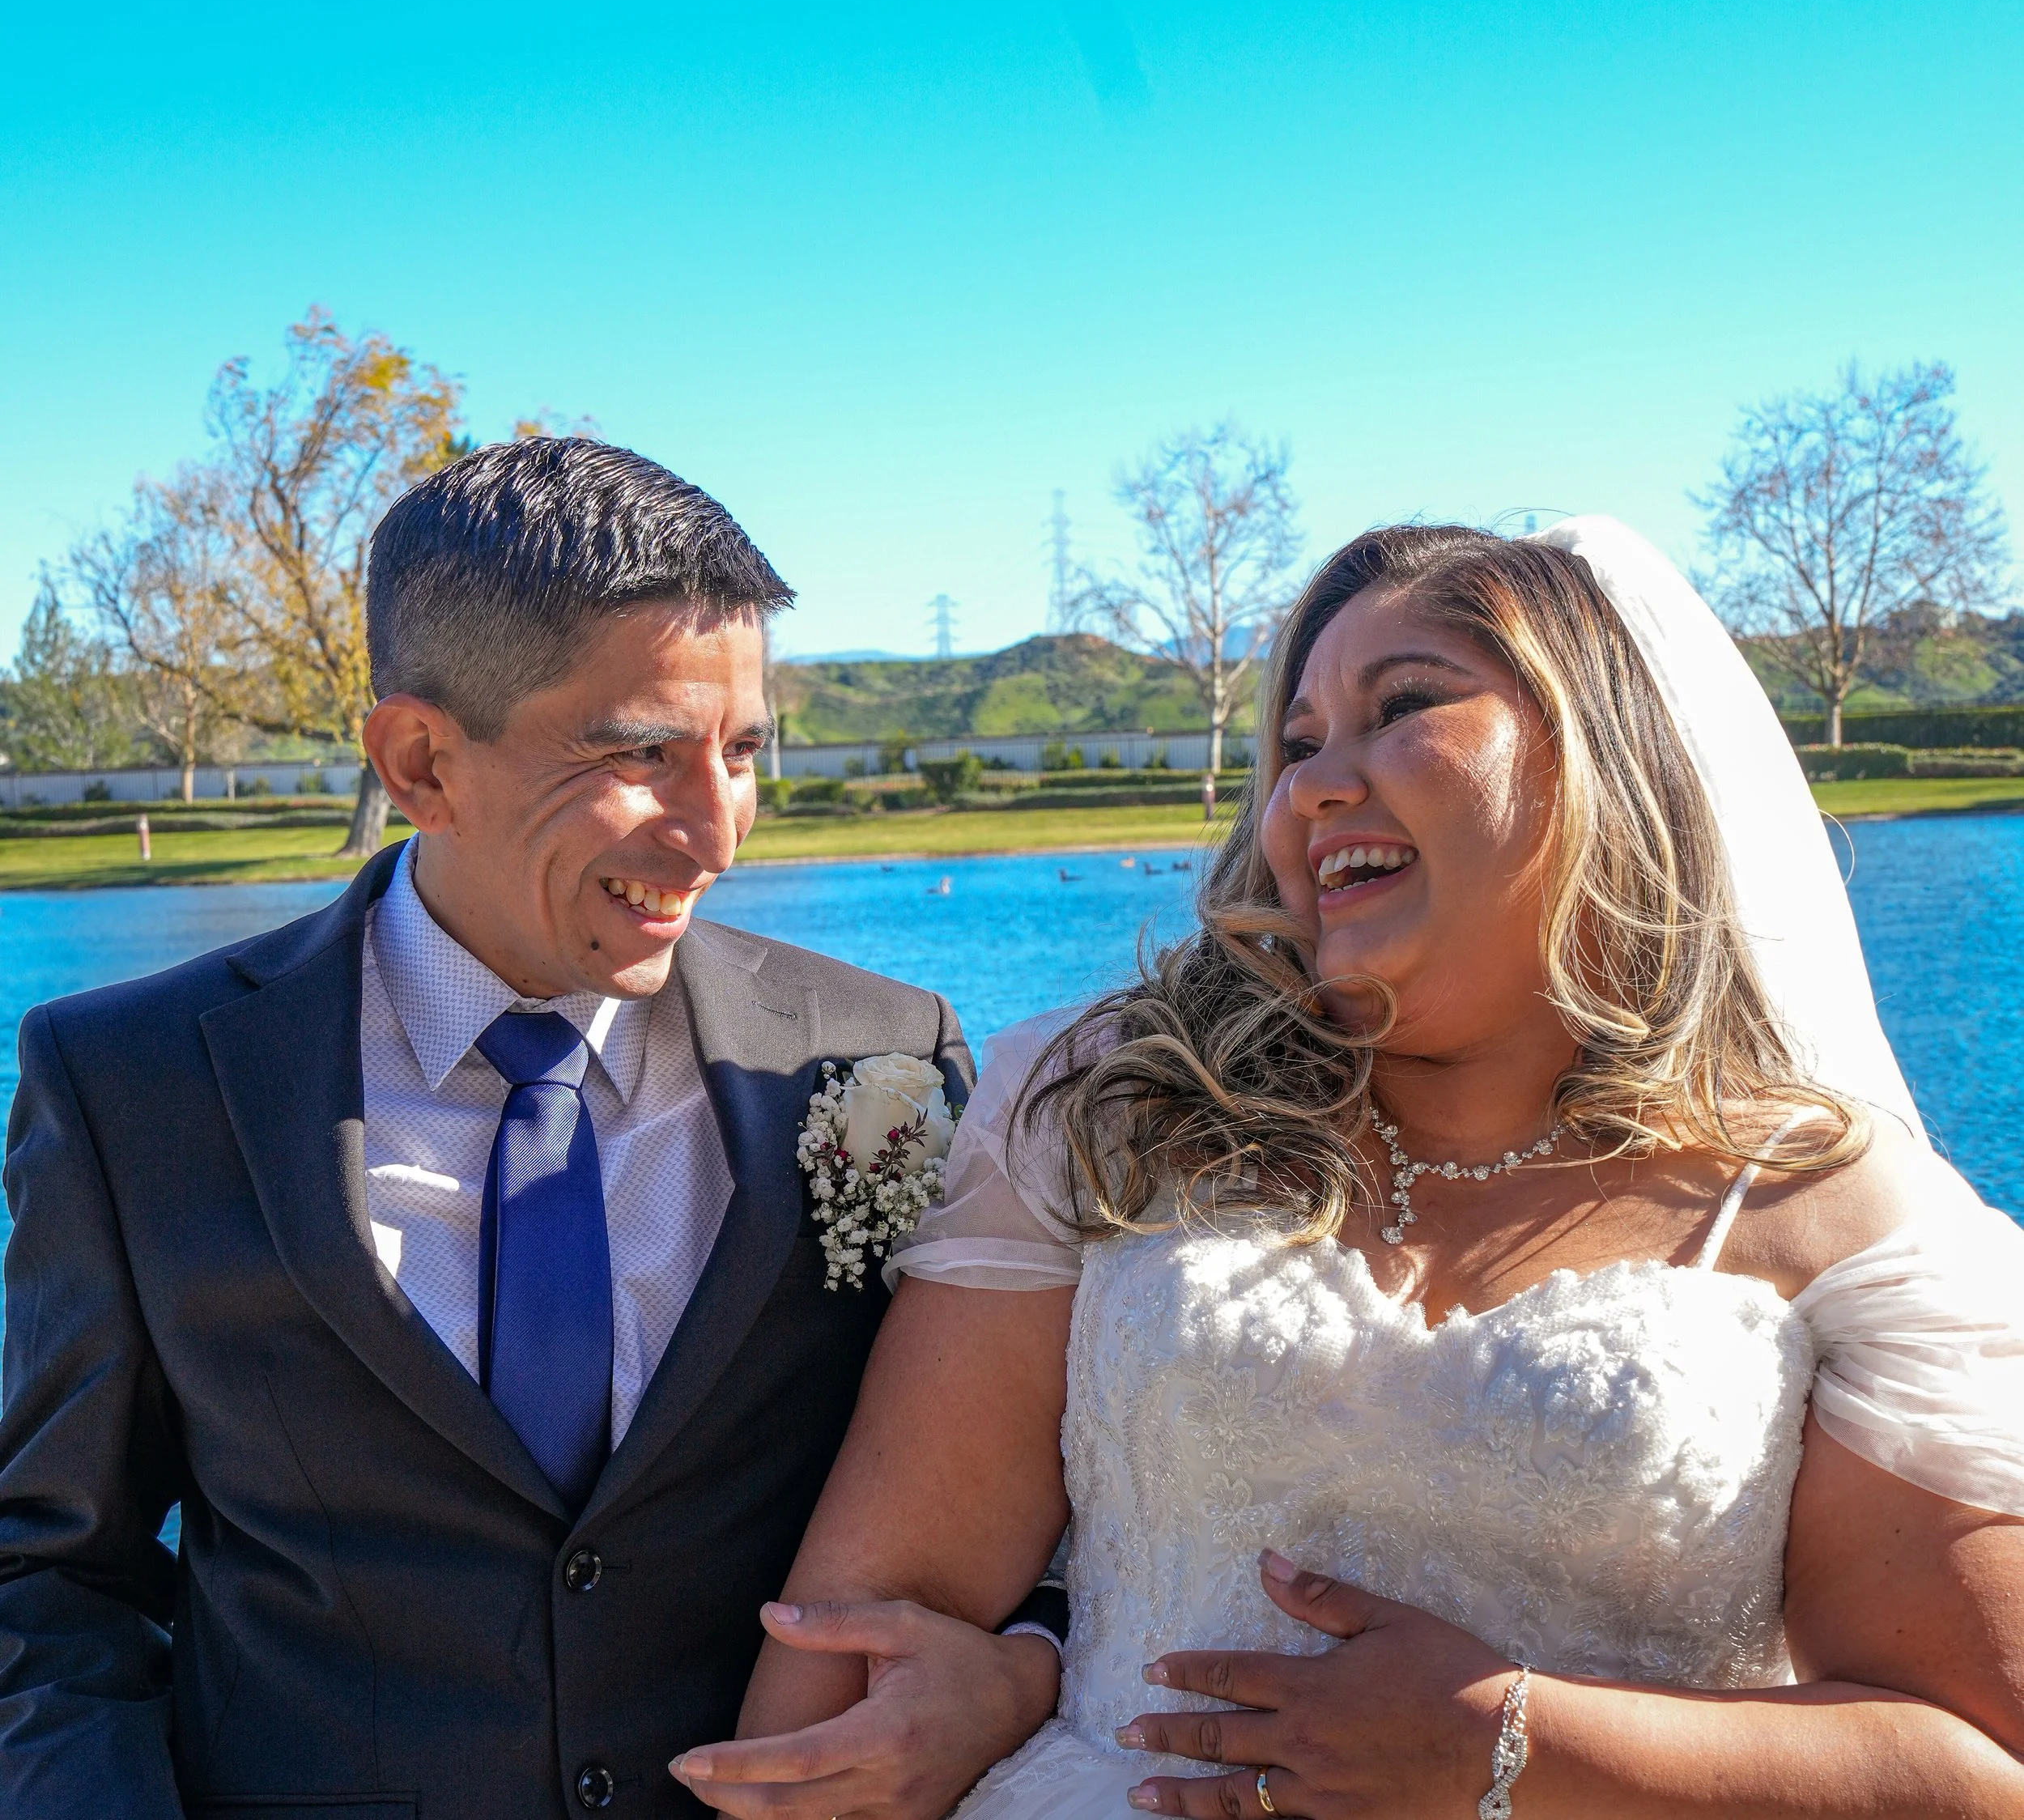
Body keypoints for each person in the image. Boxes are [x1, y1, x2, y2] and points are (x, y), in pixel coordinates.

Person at [690, 519, 2024, 1819]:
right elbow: (849, 1666)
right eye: (1298, 742)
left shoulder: (1833, 1212)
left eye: (1406, 706)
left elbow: (1977, 1759)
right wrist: (1019, 1682)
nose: (1318, 782)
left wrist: (1514, 1747)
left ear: (1602, 761)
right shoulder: (1105, 1114)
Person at [0, 439, 1059, 1818]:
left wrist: (1020, 1664)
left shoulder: (877, 1054)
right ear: (423, 759)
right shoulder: (130, 1084)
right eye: (640, 754)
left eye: (741, 752)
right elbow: (53, 1574)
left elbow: (1028, 1470)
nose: (718, 832)